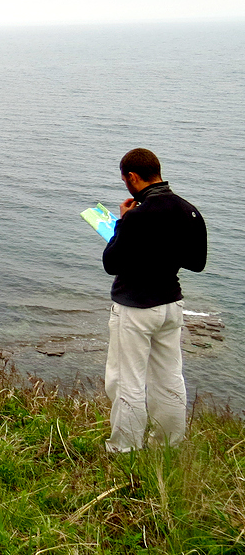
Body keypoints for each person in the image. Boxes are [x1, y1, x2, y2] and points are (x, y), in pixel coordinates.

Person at [101, 148, 207, 452]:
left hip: (135, 307)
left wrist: (122, 224)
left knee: (127, 381)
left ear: (133, 177)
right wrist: (163, 248)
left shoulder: (137, 216)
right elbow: (197, 263)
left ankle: (125, 449)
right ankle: (169, 445)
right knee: (169, 378)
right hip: (171, 305)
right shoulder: (189, 210)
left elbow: (111, 262)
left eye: (125, 180)